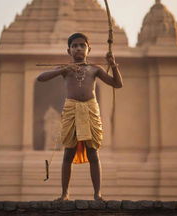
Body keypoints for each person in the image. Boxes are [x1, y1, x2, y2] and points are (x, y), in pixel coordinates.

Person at [37, 32, 123, 201]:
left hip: (91, 108)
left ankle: (97, 194)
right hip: (71, 109)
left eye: (82, 45)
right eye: (74, 46)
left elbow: (117, 84)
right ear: (69, 50)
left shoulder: (94, 69)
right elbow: (41, 78)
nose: (78, 48)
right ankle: (64, 194)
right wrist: (63, 69)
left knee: (93, 152)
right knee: (68, 152)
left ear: (88, 49)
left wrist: (113, 65)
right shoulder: (65, 70)